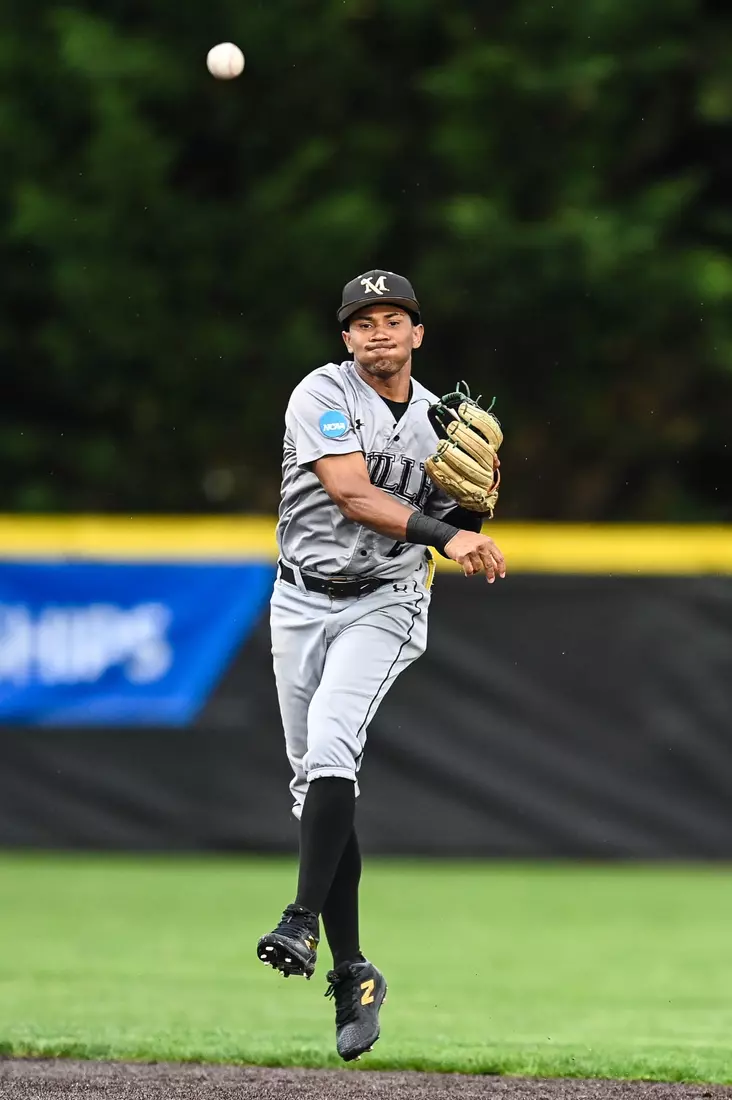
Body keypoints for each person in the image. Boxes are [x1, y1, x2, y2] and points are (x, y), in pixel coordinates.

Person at [256, 269, 506, 1061]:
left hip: (386, 601)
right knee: (314, 786)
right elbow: (354, 495)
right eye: (363, 322)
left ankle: (299, 922)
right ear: (347, 338)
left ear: (417, 335)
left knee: (333, 744)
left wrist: (479, 500)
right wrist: (449, 532)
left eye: (393, 319)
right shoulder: (320, 394)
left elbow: (464, 512)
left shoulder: (441, 423)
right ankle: (354, 970)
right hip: (299, 598)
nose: (378, 333)